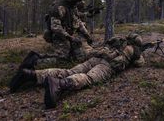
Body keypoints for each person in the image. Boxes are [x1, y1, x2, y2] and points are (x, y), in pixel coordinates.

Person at [9, 33, 154, 109]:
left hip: (94, 58)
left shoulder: (117, 40)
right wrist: (140, 52)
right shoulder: (134, 49)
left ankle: (31, 75)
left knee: (68, 70)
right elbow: (140, 63)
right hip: (107, 65)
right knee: (89, 78)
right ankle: (60, 84)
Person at [39, 0, 94, 64]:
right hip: (59, 36)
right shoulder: (59, 8)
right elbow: (55, 27)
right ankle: (37, 61)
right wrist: (70, 38)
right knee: (62, 58)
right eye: (75, 0)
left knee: (79, 55)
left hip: (69, 36)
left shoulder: (73, 8)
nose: (76, 2)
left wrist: (87, 36)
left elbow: (78, 22)